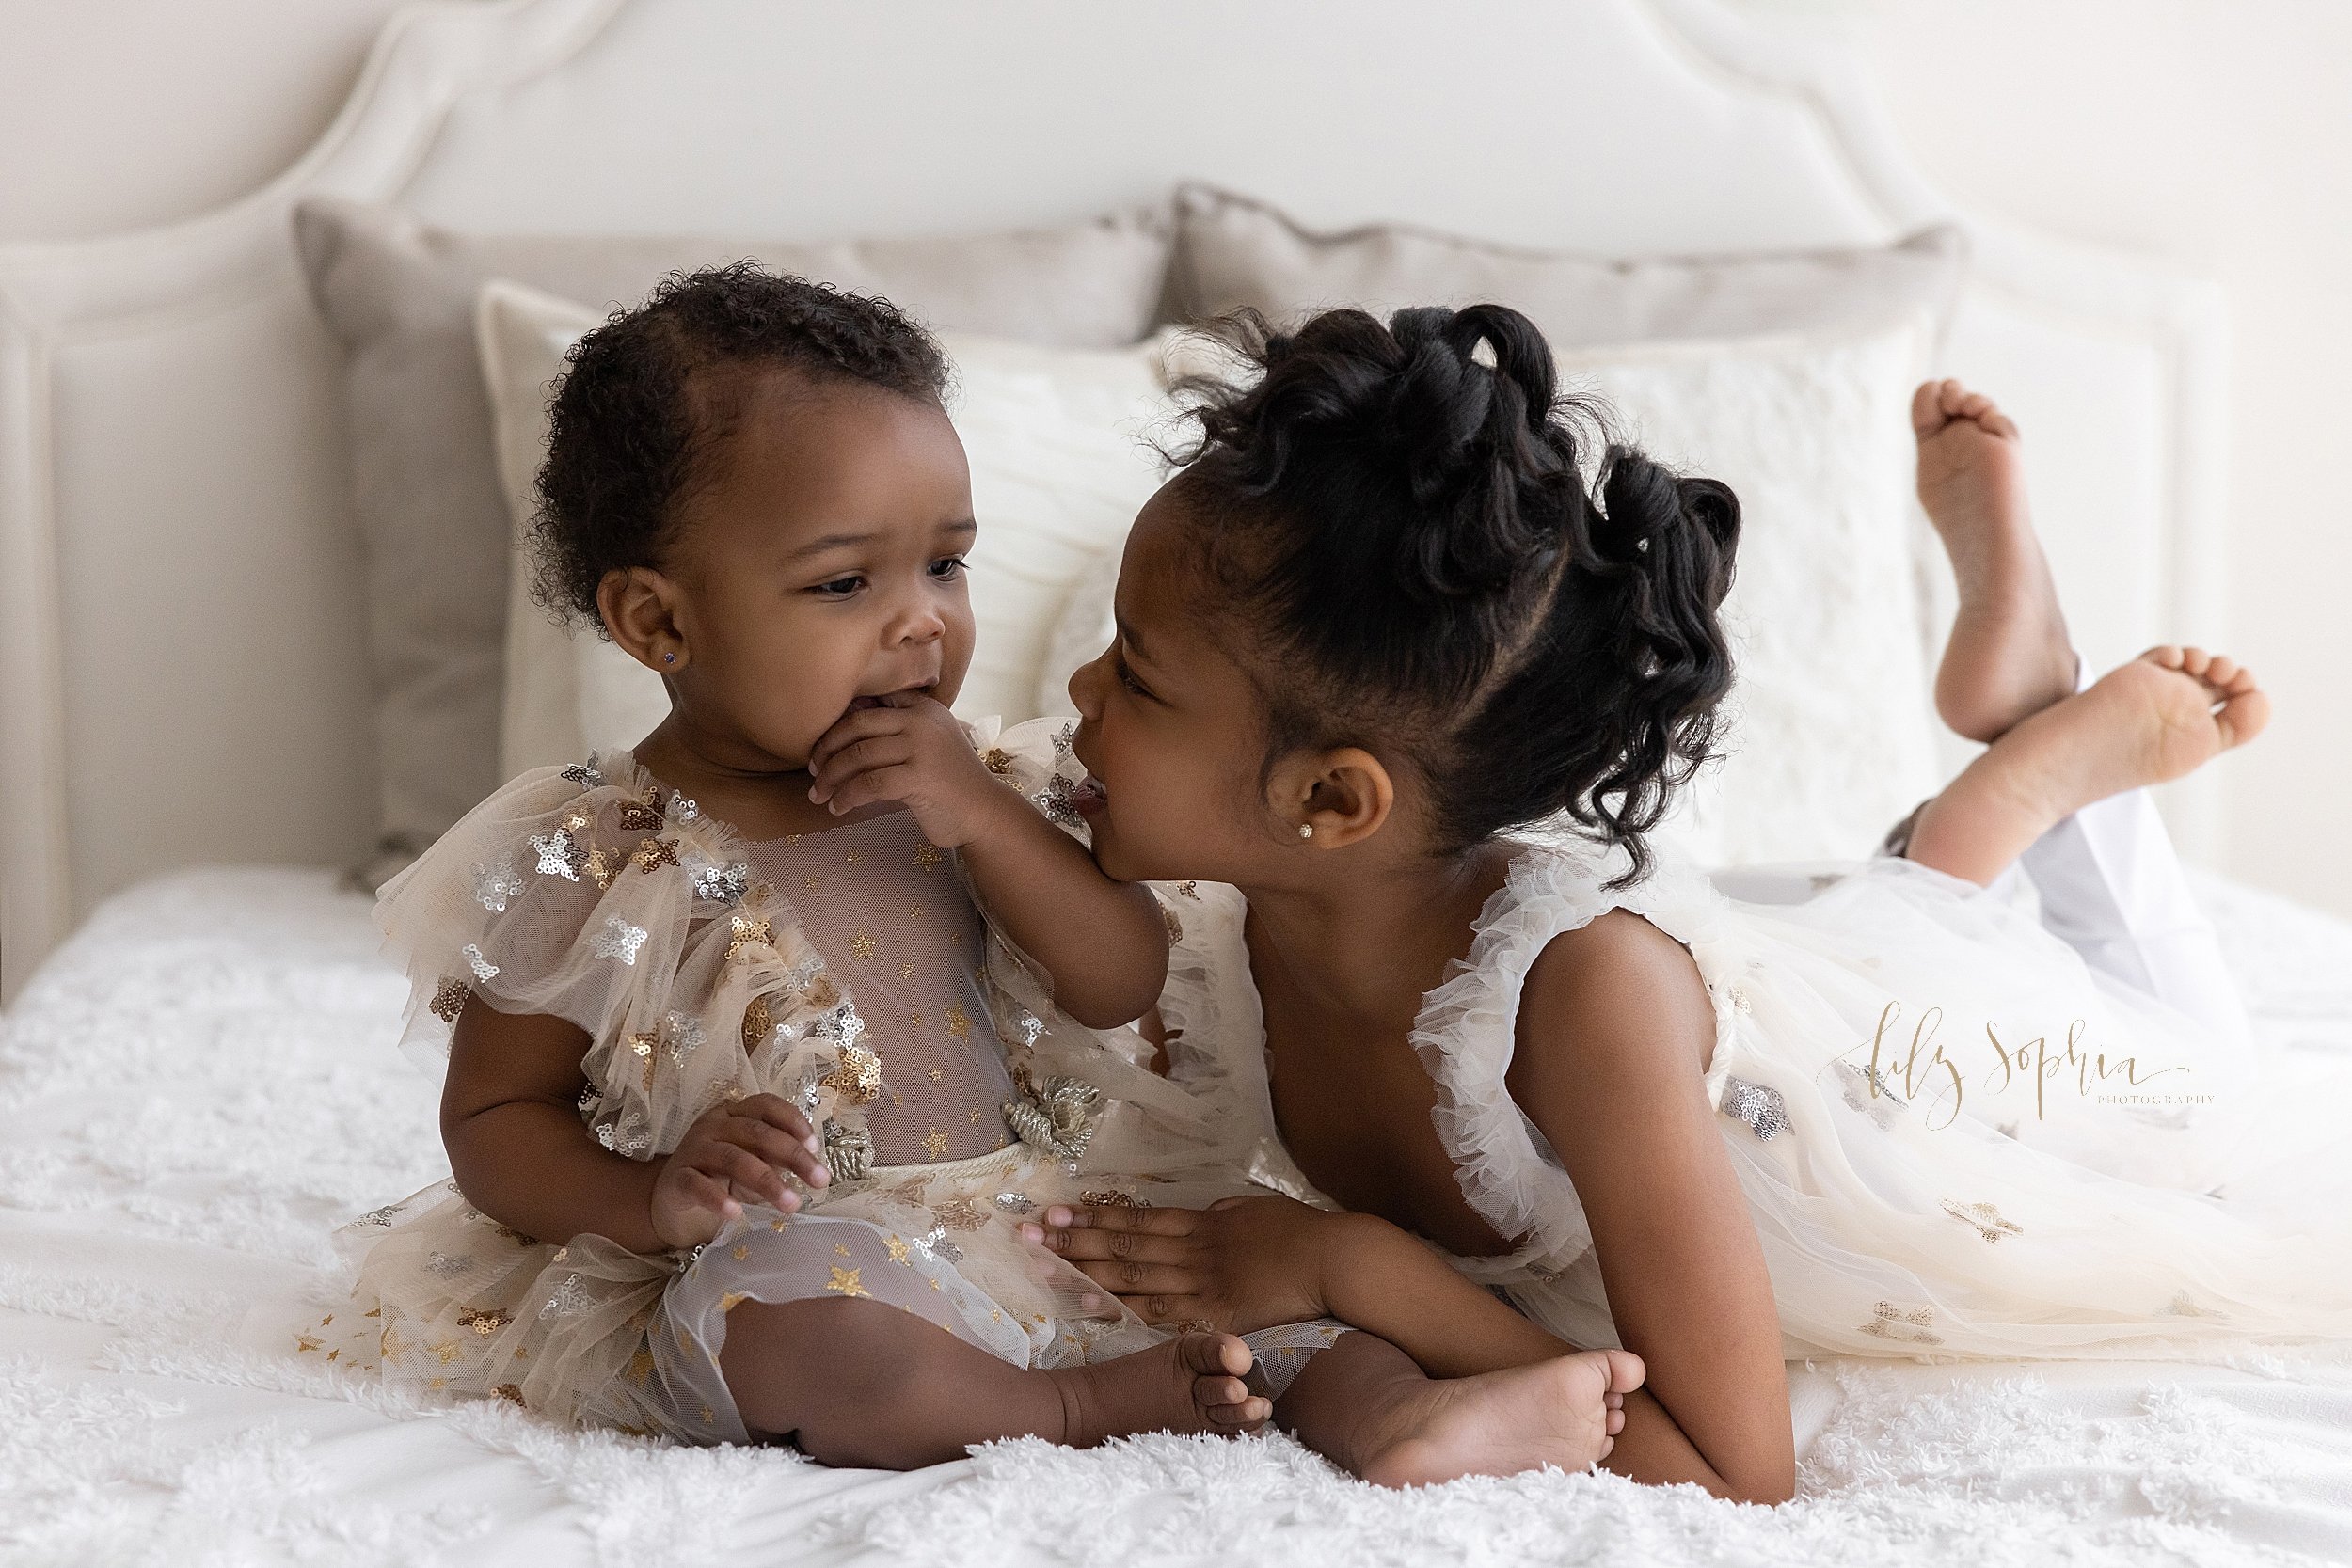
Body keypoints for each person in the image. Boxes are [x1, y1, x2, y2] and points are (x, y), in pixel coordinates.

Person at [328, 266, 1642, 1483]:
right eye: (846, 582)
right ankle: (1080, 1411)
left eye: (947, 563)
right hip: (819, 1252)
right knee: (788, 1338)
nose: (923, 619)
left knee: (1256, 1278)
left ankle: (1400, 1414)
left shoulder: (982, 788)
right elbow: (496, 1124)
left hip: (1053, 1215)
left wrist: (985, 824)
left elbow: (1119, 974)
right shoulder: (600, 857)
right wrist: (652, 1200)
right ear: (659, 620)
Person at [1026, 304, 2352, 1504]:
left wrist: (1354, 1269)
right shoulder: (1232, 908)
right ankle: (2000, 787)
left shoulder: (1587, 1003)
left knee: (2196, 1101)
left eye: (1134, 675)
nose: (1077, 696)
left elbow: (1738, 1463)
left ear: (1333, 805)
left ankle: (2054, 746)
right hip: (1783, 1017)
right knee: (1852, 938)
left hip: (1907, 1114)